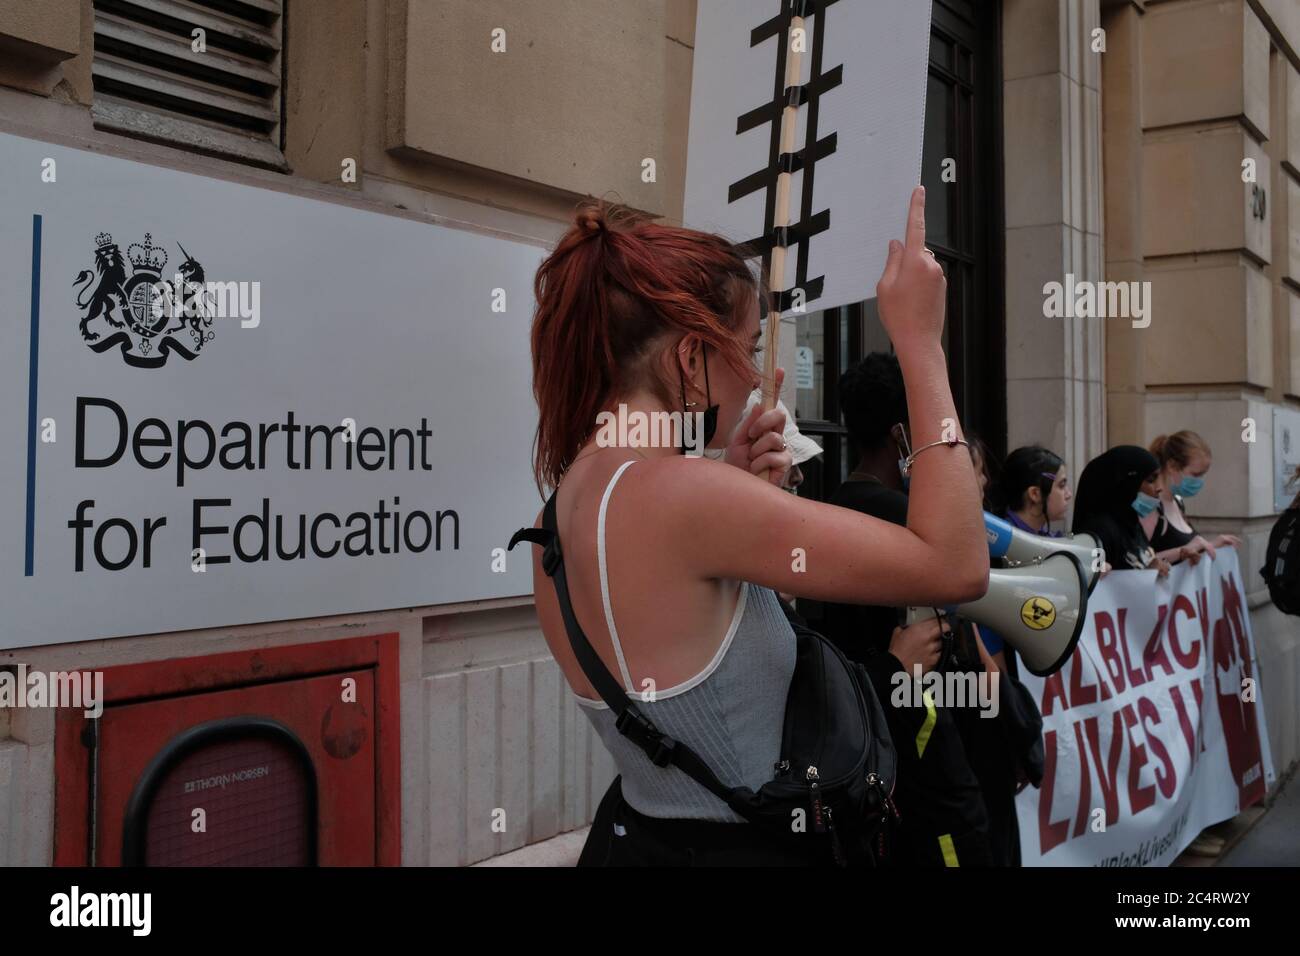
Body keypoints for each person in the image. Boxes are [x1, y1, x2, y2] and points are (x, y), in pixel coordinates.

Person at [527, 188, 988, 866]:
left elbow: (676, 633)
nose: (752, 375)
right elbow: (956, 563)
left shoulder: (557, 511)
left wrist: (731, 483)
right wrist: (921, 344)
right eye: (743, 348)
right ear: (689, 360)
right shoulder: (688, 497)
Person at [820, 350, 995, 867]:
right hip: (924, 759)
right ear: (903, 434)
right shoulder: (913, 522)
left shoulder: (827, 509)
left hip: (869, 761)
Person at [1143, 430, 1242, 566]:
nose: (1199, 482)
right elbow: (1138, 564)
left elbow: (1190, 550)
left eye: (1202, 475)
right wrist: (1183, 550)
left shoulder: (1177, 503)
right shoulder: (1149, 507)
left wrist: (1211, 545)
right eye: (1195, 475)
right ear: (1172, 466)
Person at [1072, 445, 1171, 577]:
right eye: (1151, 480)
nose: (1159, 488)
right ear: (1128, 483)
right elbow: (1097, 587)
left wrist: (1152, 569)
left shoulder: (1130, 523)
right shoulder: (1099, 531)